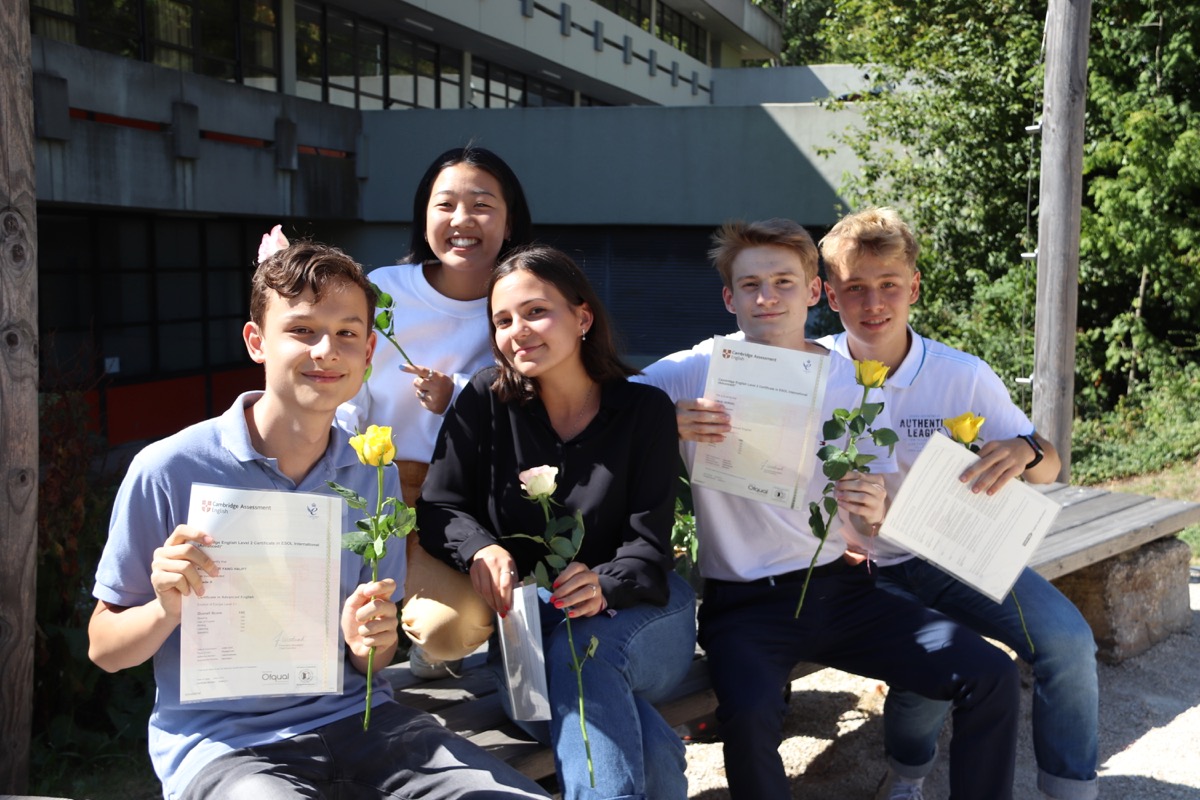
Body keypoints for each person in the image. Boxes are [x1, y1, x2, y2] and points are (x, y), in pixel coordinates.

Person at [87, 238, 549, 800]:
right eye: (302, 330)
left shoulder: (371, 472)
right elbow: (104, 649)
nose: (326, 351)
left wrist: (366, 641)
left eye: (347, 333)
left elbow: (374, 659)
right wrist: (167, 606)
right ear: (257, 341)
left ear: (369, 350)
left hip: (365, 725)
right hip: (228, 747)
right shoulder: (169, 469)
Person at [636, 218, 1021, 800]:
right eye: (750, 285)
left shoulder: (856, 384)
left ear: (815, 291)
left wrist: (874, 508)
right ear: (729, 298)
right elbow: (601, 409)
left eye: (784, 282)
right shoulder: (696, 369)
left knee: (990, 674)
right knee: (749, 721)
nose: (767, 297)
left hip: (842, 591)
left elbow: (868, 521)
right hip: (744, 606)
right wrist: (661, 421)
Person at [819, 206, 1098, 800]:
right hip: (860, 569)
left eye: (889, 284)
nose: (874, 302)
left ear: (914, 287)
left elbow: (1050, 466)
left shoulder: (960, 374)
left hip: (954, 553)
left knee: (1069, 641)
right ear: (830, 295)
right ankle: (907, 775)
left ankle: (1071, 790)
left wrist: (1024, 450)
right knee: (932, 671)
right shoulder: (810, 369)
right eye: (855, 288)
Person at [417, 245, 697, 800]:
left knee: (585, 655)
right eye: (502, 320)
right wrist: (479, 549)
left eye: (536, 312)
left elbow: (648, 547)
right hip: (529, 628)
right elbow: (438, 505)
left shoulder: (645, 412)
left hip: (642, 614)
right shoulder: (484, 400)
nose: (517, 331)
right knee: (647, 745)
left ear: (582, 317)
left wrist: (603, 583)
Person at [337, 145, 534, 677]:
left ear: (510, 221)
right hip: (372, 484)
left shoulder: (524, 299)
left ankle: (431, 644)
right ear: (423, 217)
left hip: (463, 500)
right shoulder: (382, 292)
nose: (462, 220)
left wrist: (462, 396)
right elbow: (343, 387)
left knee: (450, 629)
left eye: (482, 205)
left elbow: (548, 393)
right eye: (445, 205)